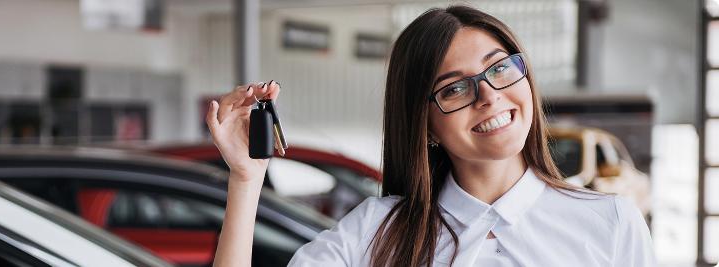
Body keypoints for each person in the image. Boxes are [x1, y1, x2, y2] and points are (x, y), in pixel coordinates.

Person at [204, 5, 653, 267]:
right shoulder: (377, 231)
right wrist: (246, 179)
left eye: (499, 68)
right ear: (425, 124)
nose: (489, 96)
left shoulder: (610, 222)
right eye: (454, 88)